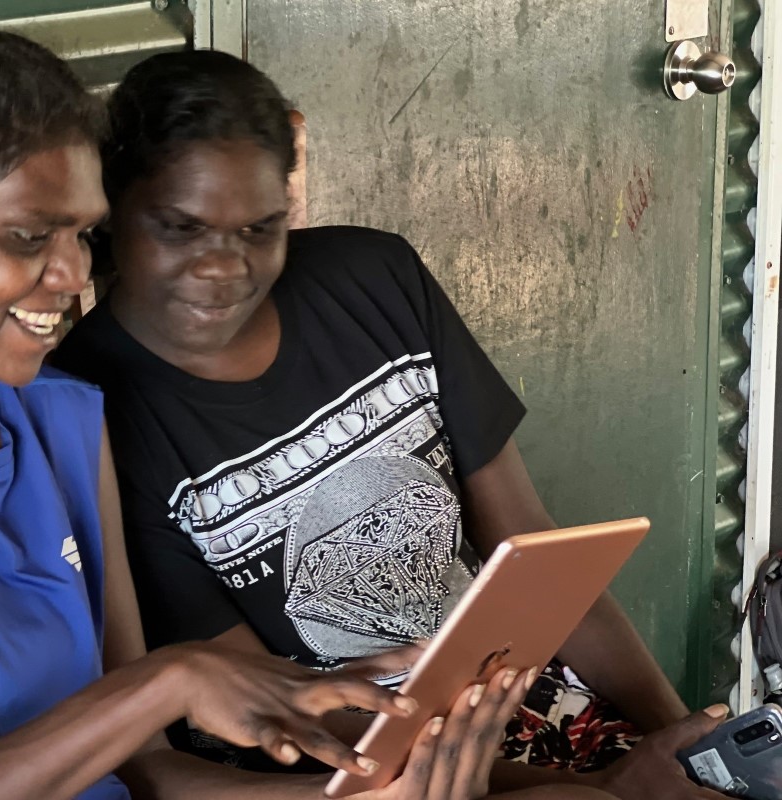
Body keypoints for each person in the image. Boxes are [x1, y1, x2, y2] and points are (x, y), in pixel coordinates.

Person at [0, 3, 569, 800]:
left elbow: (148, 770)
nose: (73, 276)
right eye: (31, 235)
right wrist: (164, 683)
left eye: (84, 235)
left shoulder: (59, 417)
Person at [53, 49, 731, 799]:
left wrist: (682, 746)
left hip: (526, 708)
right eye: (181, 228)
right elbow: (275, 711)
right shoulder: (91, 406)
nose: (225, 267)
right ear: (112, 207)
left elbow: (534, 554)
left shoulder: (375, 281)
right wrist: (604, 788)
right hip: (346, 768)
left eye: (259, 229)